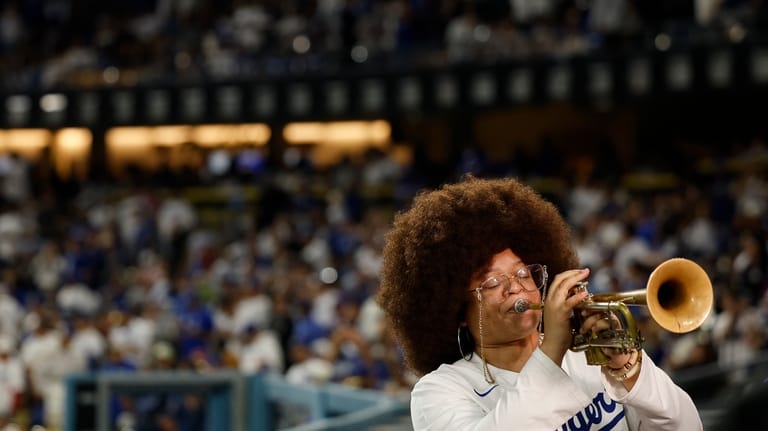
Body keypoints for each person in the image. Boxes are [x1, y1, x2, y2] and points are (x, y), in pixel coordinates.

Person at [376, 175, 703, 430]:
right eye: (492, 282)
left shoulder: (593, 354)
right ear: (456, 310)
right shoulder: (440, 390)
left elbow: (687, 426)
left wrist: (632, 372)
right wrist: (550, 354)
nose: (515, 288)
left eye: (523, 273)